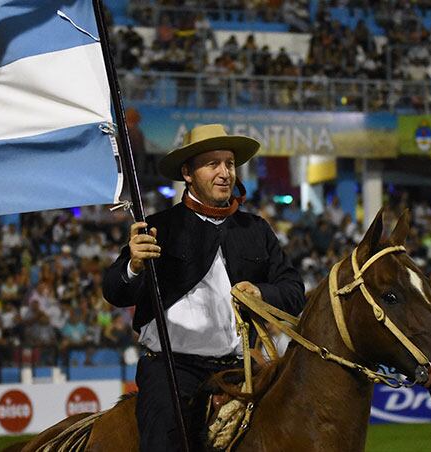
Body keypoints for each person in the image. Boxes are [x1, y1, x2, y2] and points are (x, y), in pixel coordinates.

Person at [104, 124, 305, 451]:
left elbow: (294, 291)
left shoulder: (256, 229)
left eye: (229, 163)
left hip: (240, 368)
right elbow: (114, 291)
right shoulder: (158, 227)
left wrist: (261, 293)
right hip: (172, 369)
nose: (225, 172)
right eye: (213, 164)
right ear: (188, 172)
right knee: (163, 439)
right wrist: (134, 266)